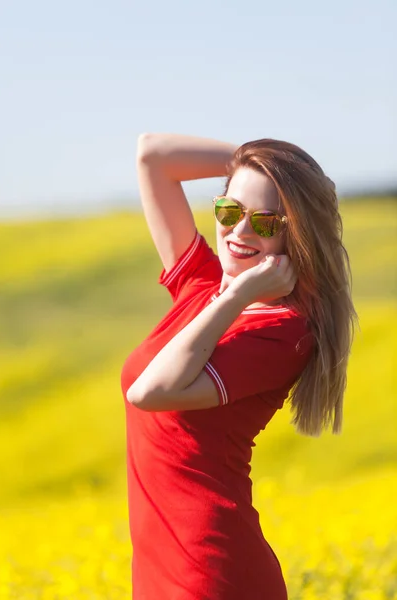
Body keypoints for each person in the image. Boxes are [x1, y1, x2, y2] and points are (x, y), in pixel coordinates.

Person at [120, 134, 357, 599]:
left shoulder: (283, 333)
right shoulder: (202, 289)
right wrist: (258, 163)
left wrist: (237, 295)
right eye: (229, 212)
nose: (239, 232)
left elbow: (149, 393)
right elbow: (152, 155)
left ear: (296, 233)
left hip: (211, 575)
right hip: (158, 572)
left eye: (266, 221)